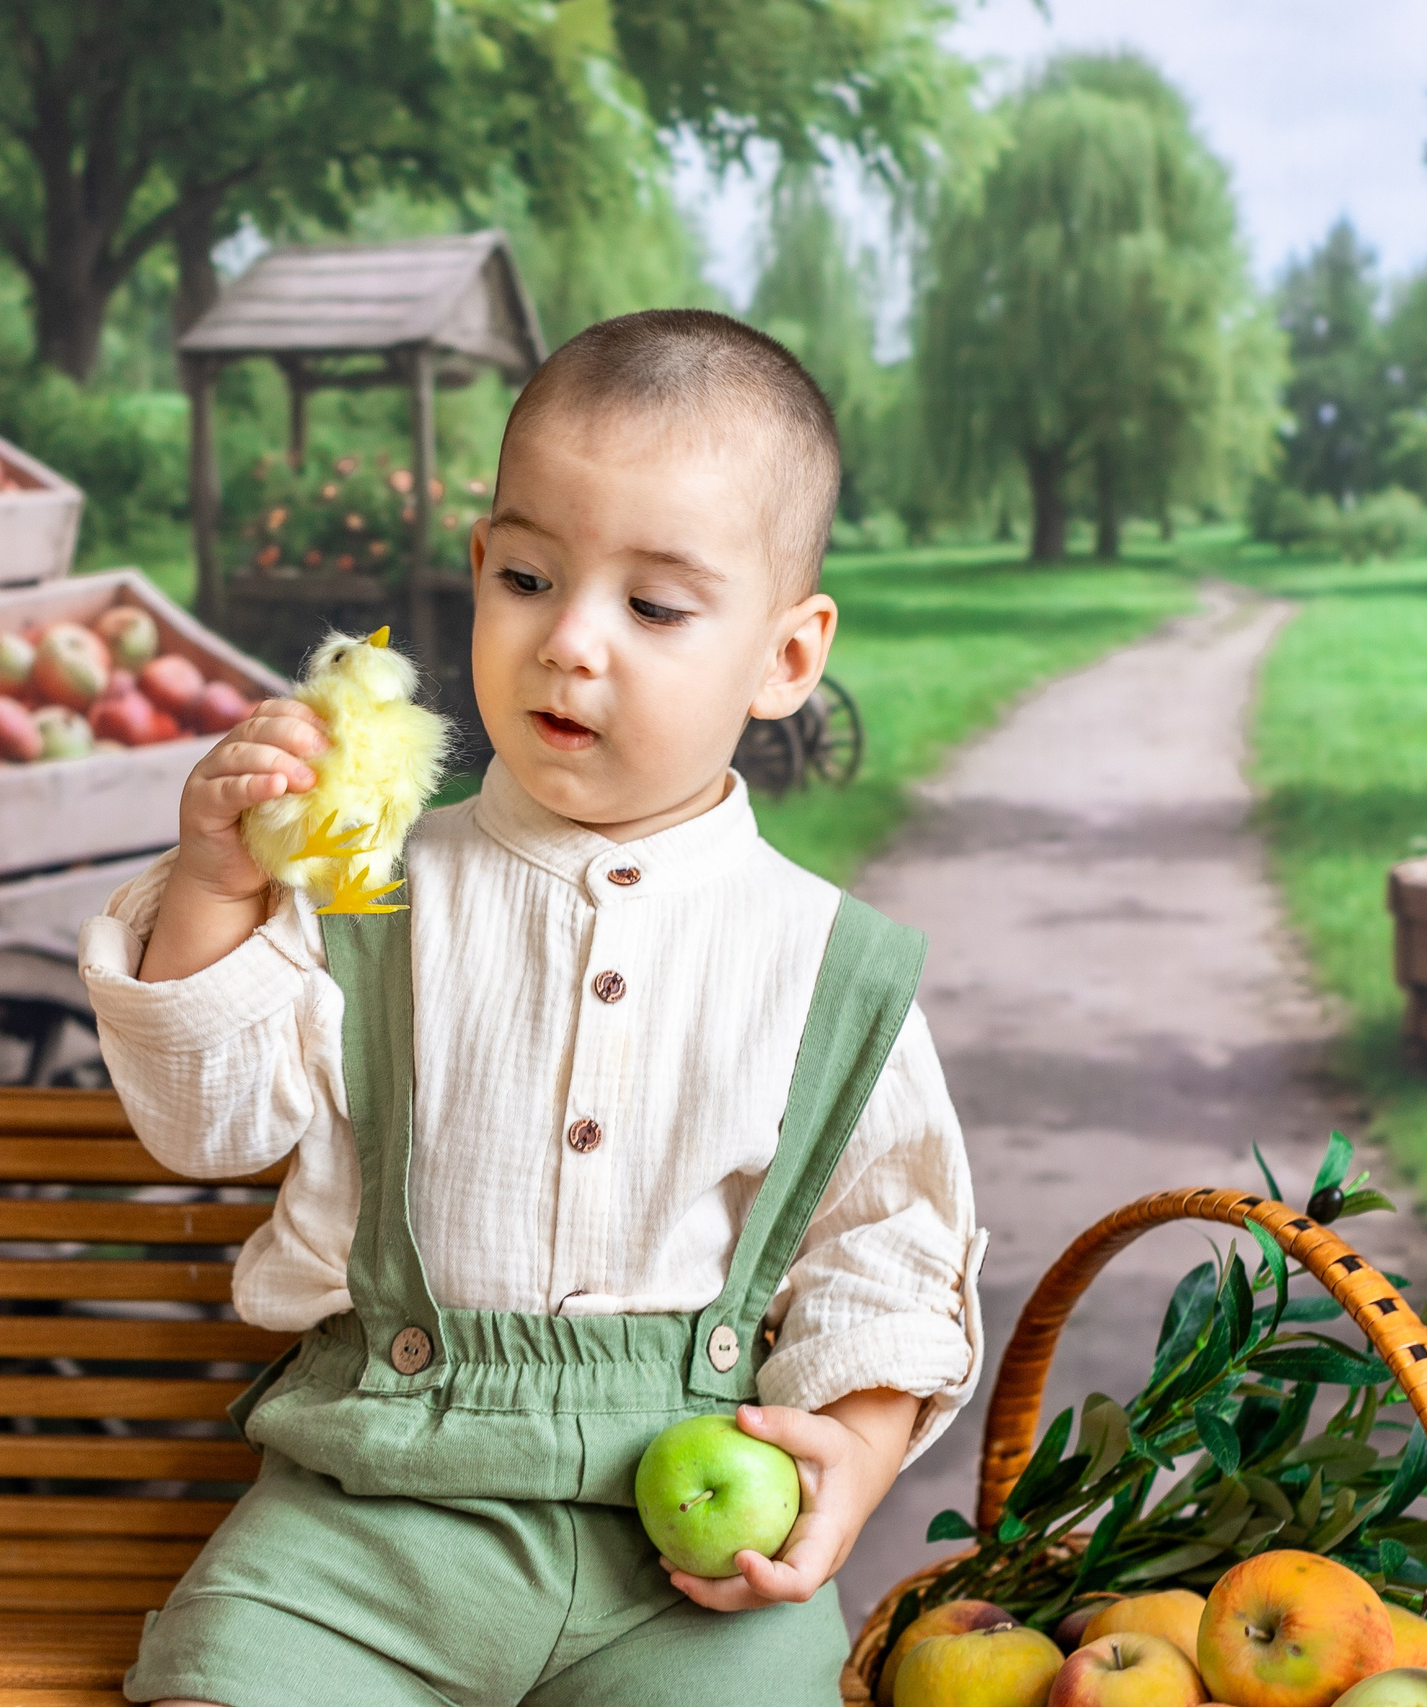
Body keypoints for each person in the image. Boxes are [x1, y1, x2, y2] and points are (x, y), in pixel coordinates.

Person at [80, 308, 986, 1707]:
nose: (570, 642)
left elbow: (891, 1254)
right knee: (220, 1680)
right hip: (369, 1526)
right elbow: (205, 1128)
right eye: (527, 575)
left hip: (685, 1565)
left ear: (785, 659)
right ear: (476, 576)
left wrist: (850, 1462)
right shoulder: (362, 894)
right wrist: (215, 888)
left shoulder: (823, 962)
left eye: (655, 606)